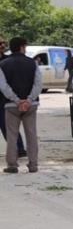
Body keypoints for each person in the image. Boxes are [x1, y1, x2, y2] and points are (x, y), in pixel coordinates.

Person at [0, 37, 41, 173]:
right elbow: (38, 84)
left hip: (11, 105)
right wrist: (28, 100)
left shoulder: (3, 64)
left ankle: (12, 165)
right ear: (22, 47)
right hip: (31, 105)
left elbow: (3, 86)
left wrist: (17, 100)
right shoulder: (33, 63)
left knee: (12, 135)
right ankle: (33, 164)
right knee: (31, 134)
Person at [0, 39, 25, 157]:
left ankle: (19, 148)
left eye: (3, 44)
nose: (3, 46)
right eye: (0, 44)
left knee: (7, 125)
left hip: (4, 97)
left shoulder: (6, 60)